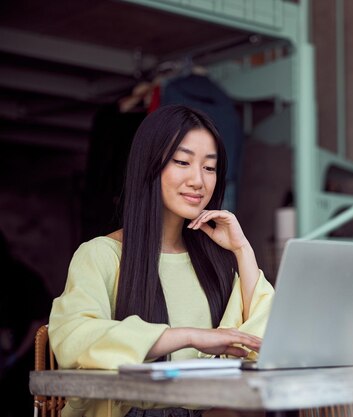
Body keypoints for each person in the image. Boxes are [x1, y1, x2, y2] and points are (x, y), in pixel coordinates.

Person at [48, 105, 274, 417]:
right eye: (182, 162)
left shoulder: (216, 262)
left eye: (210, 168)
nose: (198, 180)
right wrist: (189, 336)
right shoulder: (101, 254)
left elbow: (261, 344)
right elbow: (73, 340)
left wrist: (243, 251)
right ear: (149, 166)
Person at [0, 230, 52, 417]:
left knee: (25, 407)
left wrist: (17, 355)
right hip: (7, 360)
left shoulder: (25, 278)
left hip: (26, 363)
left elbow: (41, 320)